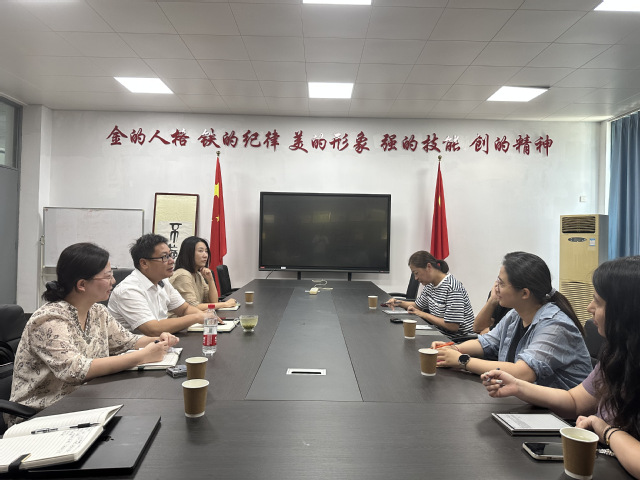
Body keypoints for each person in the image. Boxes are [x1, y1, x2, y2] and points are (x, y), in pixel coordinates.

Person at [482, 256, 640, 479]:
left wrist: (605, 430)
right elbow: (575, 402)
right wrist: (517, 387)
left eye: (598, 302)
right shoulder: (617, 354)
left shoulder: (555, 322)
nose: (589, 308)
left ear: (627, 312)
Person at [9, 243, 178, 418]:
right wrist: (142, 356)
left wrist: (158, 339)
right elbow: (75, 370)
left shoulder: (97, 311)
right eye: (108, 276)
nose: (113, 281)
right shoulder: (49, 319)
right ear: (82, 284)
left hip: (85, 402)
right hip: (41, 413)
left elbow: (127, 341)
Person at [433, 251, 592, 389]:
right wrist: (454, 349)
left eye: (501, 284)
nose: (495, 288)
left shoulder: (555, 325)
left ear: (524, 293)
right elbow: (487, 342)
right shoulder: (515, 314)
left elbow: (523, 373)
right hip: (523, 400)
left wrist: (462, 360)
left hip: (558, 412)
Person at [108, 234, 207, 335]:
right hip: (137, 344)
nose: (172, 261)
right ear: (144, 263)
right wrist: (196, 317)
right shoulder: (129, 290)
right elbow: (153, 329)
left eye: (170, 255)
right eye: (164, 257)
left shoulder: (163, 281)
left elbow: (184, 309)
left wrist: (207, 317)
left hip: (160, 341)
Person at [387, 250, 475, 341]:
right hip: (439, 334)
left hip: (458, 340)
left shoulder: (452, 288)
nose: (416, 278)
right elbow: (417, 305)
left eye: (416, 273)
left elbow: (452, 326)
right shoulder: (430, 285)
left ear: (428, 267)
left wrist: (422, 314)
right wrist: (397, 302)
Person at [169, 236, 236, 312]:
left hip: (195, 317)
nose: (205, 255)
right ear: (189, 253)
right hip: (178, 319)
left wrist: (210, 280)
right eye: (200, 251)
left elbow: (213, 301)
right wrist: (225, 304)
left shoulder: (197, 274)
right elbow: (193, 307)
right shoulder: (183, 275)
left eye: (206, 251)